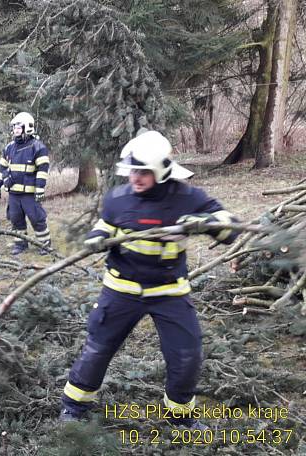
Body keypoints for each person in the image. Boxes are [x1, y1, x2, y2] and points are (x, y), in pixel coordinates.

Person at [59, 130, 239, 428]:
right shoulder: (117, 198)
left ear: (162, 171)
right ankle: (73, 407)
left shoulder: (188, 198)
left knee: (186, 353)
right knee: (97, 348)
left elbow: (230, 228)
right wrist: (97, 238)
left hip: (169, 291)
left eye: (143, 172)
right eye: (132, 170)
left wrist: (206, 223)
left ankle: (179, 416)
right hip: (121, 290)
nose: (135, 177)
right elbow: (106, 225)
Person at [0, 112, 50, 255]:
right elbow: (3, 167)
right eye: (14, 128)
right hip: (13, 193)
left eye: (18, 127)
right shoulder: (9, 147)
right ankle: (20, 244)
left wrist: (40, 189)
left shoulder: (38, 147)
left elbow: (43, 170)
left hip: (30, 194)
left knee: (37, 219)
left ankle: (45, 245)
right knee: (16, 220)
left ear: (28, 128)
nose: (15, 130)